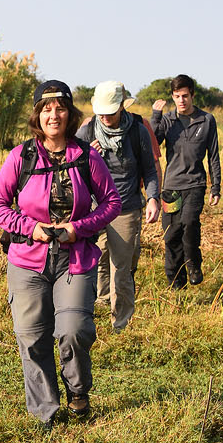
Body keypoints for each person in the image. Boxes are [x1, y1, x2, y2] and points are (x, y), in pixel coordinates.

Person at [0, 79, 121, 424]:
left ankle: (78, 390)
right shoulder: (21, 157)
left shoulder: (87, 156)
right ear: (37, 115)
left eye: (60, 107)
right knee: (31, 337)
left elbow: (112, 202)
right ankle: (46, 411)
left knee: (73, 329)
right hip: (28, 261)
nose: (54, 115)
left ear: (70, 113)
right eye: (46, 108)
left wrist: (80, 227)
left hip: (75, 260)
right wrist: (29, 227)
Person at [75, 81, 160, 332]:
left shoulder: (137, 130)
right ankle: (101, 304)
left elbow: (150, 169)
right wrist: (86, 156)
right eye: (101, 111)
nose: (105, 117)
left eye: (110, 111)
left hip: (125, 207)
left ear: (122, 107)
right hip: (93, 208)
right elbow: (69, 169)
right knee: (97, 259)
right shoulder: (87, 132)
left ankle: (120, 324)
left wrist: (153, 197)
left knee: (121, 267)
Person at [151, 74, 222, 288]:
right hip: (171, 186)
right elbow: (153, 145)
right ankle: (175, 279)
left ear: (192, 95)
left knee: (189, 222)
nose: (181, 100)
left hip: (195, 184)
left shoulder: (206, 120)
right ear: (172, 97)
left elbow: (214, 156)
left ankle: (193, 264)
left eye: (184, 96)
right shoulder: (167, 120)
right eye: (176, 96)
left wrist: (216, 186)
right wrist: (156, 115)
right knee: (171, 233)